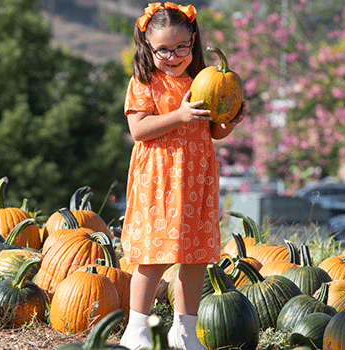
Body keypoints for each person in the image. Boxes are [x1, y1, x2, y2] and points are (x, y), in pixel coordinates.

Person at [119, 2, 245, 350]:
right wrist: (180, 114)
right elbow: (139, 129)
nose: (172, 55)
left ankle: (184, 332)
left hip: (196, 179)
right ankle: (137, 331)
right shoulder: (145, 82)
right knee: (153, 257)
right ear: (148, 47)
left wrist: (229, 122)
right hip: (159, 179)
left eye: (181, 47)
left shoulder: (202, 81)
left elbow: (211, 133)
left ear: (193, 41)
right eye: (163, 49)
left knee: (195, 258)